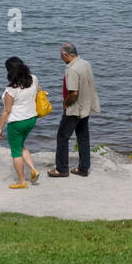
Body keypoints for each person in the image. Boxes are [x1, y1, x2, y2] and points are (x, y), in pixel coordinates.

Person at [49, 42, 99, 178]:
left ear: (66, 55)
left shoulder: (72, 69)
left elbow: (73, 92)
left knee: (62, 136)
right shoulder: (85, 63)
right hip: (86, 105)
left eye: (61, 57)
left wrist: (66, 104)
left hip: (75, 108)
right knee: (83, 136)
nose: (61, 60)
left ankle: (61, 169)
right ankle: (83, 168)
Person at [0, 56, 40, 188]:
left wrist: (0, 128)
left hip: (17, 123)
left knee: (15, 152)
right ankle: (33, 169)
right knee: (20, 146)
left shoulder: (11, 89)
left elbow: (7, 111)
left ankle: (21, 181)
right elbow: (38, 92)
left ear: (10, 71)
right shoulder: (33, 79)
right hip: (31, 119)